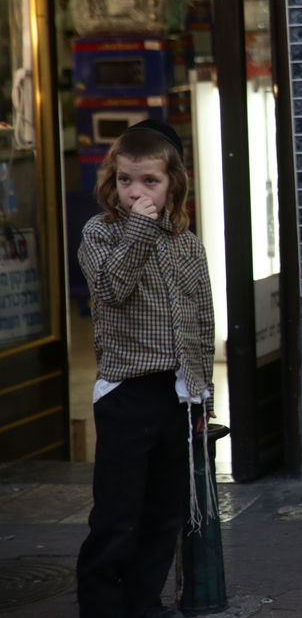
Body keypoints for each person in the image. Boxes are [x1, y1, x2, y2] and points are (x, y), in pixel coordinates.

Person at [76, 120, 214, 618]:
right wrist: (138, 225)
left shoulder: (186, 242)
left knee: (163, 512)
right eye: (126, 180)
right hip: (126, 393)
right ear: (111, 180)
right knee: (117, 514)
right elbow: (113, 289)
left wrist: (203, 394)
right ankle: (101, 606)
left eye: (150, 182)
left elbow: (201, 317)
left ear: (173, 182)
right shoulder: (100, 233)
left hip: (176, 394)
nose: (136, 192)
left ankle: (144, 602)